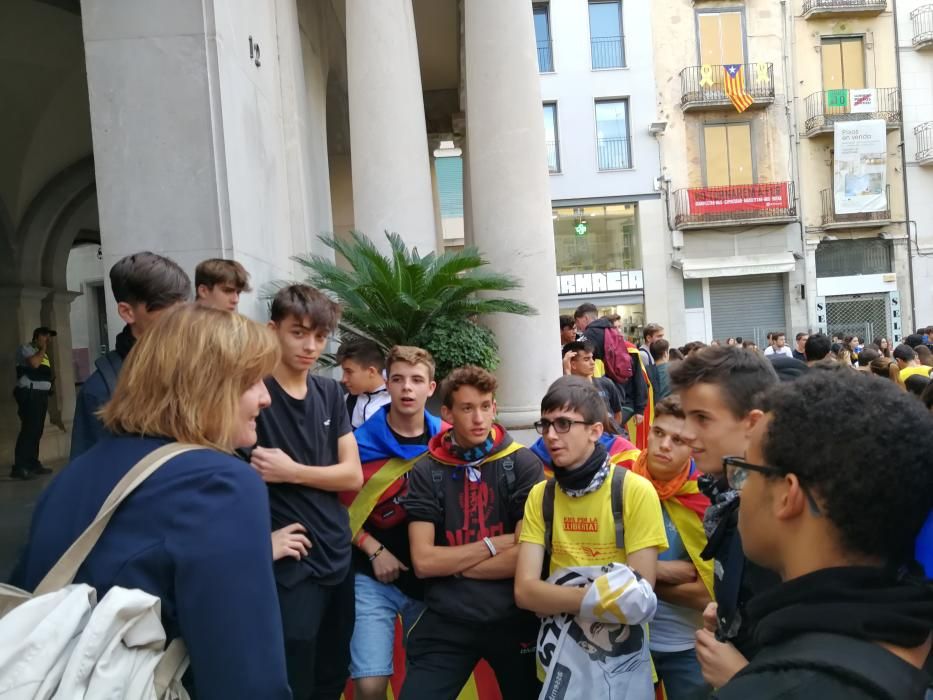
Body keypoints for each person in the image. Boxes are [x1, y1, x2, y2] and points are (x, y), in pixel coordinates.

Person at [11, 304, 291, 698]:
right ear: (206, 384)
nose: (266, 398)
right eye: (252, 382)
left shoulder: (76, 473)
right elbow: (244, 676)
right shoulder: (221, 483)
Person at [711, 370, 933, 699]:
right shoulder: (914, 632)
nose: (739, 487)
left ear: (787, 495)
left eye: (747, 469)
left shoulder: (775, 689)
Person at [514, 376, 667, 699]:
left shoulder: (633, 490)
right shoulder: (541, 495)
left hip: (623, 666)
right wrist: (600, 595)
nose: (551, 436)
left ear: (596, 431)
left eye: (564, 424)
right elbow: (524, 593)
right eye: (546, 425)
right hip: (558, 666)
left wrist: (557, 596)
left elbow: (639, 596)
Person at [400, 366, 544, 700]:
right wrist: (496, 543)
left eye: (485, 406)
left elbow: (527, 558)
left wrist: (451, 563)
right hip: (448, 620)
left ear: (495, 408)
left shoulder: (521, 464)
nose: (479, 418)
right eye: (467, 408)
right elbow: (423, 562)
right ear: (447, 413)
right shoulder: (426, 470)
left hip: (514, 618)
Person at [251, 284, 364, 700]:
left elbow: (352, 475)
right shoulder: (254, 396)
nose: (310, 346)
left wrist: (291, 471)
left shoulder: (331, 392)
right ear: (273, 330)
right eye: (298, 333)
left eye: (319, 336)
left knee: (334, 671)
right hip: (290, 560)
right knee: (294, 670)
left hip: (337, 550)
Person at [669, 346, 782, 686]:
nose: (686, 433)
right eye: (685, 415)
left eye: (702, 418)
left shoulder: (782, 515)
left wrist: (741, 679)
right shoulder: (727, 497)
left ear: (753, 423)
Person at [339, 346, 442, 700]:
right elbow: (336, 506)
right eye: (398, 379)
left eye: (416, 380)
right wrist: (372, 548)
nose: (407, 389)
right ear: (386, 383)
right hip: (371, 576)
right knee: (368, 684)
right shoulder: (356, 444)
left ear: (431, 387)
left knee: (425, 684)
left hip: (432, 581)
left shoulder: (448, 442)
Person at [70, 251, 191, 459]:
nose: (181, 320)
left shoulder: (199, 365)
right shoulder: (100, 390)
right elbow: (90, 476)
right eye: (167, 308)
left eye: (184, 307)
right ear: (127, 312)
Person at [633, 395, 713, 700]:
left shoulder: (706, 497)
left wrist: (635, 576)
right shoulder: (620, 483)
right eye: (659, 433)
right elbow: (593, 565)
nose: (664, 445)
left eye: (678, 439)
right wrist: (662, 571)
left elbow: (707, 595)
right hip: (626, 645)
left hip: (688, 647)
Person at [578, 304, 649, 432]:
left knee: (611, 432)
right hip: (621, 400)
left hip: (616, 400)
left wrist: (640, 409)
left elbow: (639, 379)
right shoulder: (624, 348)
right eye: (616, 328)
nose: (618, 332)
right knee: (613, 431)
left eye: (619, 328)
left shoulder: (591, 336)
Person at [12, 327, 57, 479]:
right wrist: (43, 348)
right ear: (37, 336)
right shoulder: (27, 348)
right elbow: (34, 364)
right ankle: (20, 467)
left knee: (37, 430)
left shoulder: (43, 354)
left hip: (40, 395)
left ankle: (32, 463)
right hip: (29, 394)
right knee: (29, 430)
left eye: (49, 337)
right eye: (46, 336)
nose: (48, 340)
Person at [561, 340, 624, 427]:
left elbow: (618, 414)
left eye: (592, 358)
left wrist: (611, 434)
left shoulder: (606, 383)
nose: (593, 362)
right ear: (573, 364)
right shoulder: (565, 388)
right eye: (586, 359)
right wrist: (567, 371)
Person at [337, 338, 391, 428]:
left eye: (349, 371)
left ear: (371, 372)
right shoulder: (345, 400)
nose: (344, 379)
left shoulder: (397, 401)